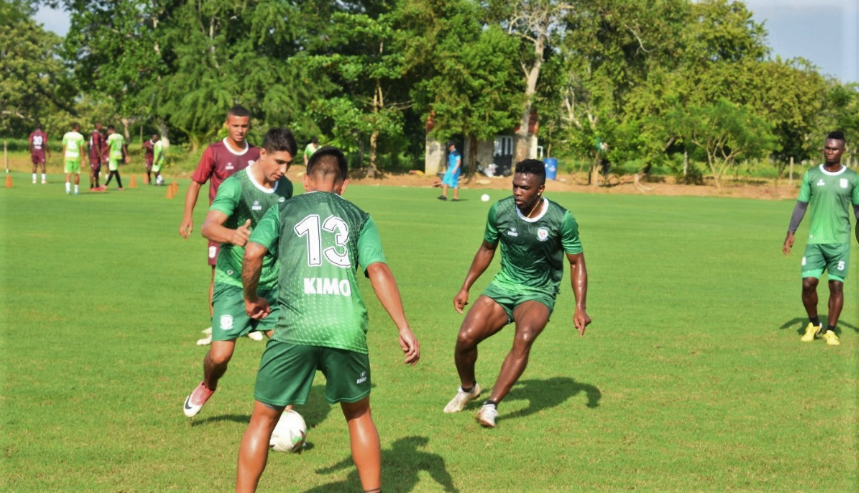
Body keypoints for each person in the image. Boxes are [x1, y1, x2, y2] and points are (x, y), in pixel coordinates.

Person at [236, 146, 420, 493]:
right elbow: (377, 268)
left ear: (305, 180)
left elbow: (252, 252)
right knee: (359, 415)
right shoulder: (359, 217)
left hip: (294, 328)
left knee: (262, 419)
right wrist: (403, 326)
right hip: (344, 328)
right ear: (344, 185)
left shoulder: (284, 209)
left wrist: (250, 299)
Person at [443, 159, 591, 428]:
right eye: (515, 185)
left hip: (539, 291)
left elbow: (576, 262)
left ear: (540, 189)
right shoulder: (500, 211)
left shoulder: (561, 219)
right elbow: (487, 249)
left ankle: (491, 406)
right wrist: (466, 287)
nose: (517, 192)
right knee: (465, 338)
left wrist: (580, 306)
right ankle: (468, 389)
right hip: (504, 285)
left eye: (525, 187)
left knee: (523, 338)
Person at [183, 128, 297, 418]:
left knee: (288, 349)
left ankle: (284, 417)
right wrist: (231, 235)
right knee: (220, 356)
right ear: (262, 153)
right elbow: (208, 226)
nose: (283, 170)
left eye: (289, 164)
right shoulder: (235, 186)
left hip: (270, 284)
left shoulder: (285, 189)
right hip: (233, 282)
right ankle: (208, 385)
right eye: (279, 162)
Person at [179, 105, 261, 346]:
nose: (240, 130)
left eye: (244, 126)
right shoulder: (213, 152)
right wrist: (188, 216)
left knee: (251, 271)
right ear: (227, 125)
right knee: (218, 274)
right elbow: (196, 183)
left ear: (249, 126)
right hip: (220, 226)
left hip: (249, 226)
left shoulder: (256, 154)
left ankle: (250, 322)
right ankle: (218, 324)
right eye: (235, 125)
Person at [782, 131, 859, 346]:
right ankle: (814, 323)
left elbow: (858, 209)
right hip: (816, 241)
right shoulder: (812, 175)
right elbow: (801, 205)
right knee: (808, 284)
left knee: (836, 286)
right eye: (827, 147)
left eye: (834, 148)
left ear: (843, 151)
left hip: (840, 241)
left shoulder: (852, 178)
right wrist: (791, 232)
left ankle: (831, 331)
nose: (830, 151)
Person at [62, 123, 88, 195]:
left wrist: (64, 157)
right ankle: (76, 190)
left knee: (68, 173)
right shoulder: (80, 136)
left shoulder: (66, 135)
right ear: (77, 128)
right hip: (76, 157)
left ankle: (68, 189)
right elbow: (82, 149)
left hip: (68, 156)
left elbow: (64, 147)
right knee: (76, 174)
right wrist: (83, 159)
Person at [103, 126, 128, 190]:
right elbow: (123, 147)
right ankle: (120, 186)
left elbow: (108, 147)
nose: (107, 132)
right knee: (115, 171)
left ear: (111, 130)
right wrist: (126, 156)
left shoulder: (111, 137)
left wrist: (101, 153)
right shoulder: (120, 136)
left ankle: (106, 185)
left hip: (113, 155)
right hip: (119, 155)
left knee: (112, 171)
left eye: (108, 130)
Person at [89, 123, 106, 191]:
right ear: (97, 126)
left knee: (97, 170)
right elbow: (96, 145)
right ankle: (91, 186)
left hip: (97, 155)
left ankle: (97, 185)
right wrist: (101, 157)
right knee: (93, 170)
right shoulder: (95, 134)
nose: (102, 126)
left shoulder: (99, 134)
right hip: (94, 155)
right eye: (101, 125)